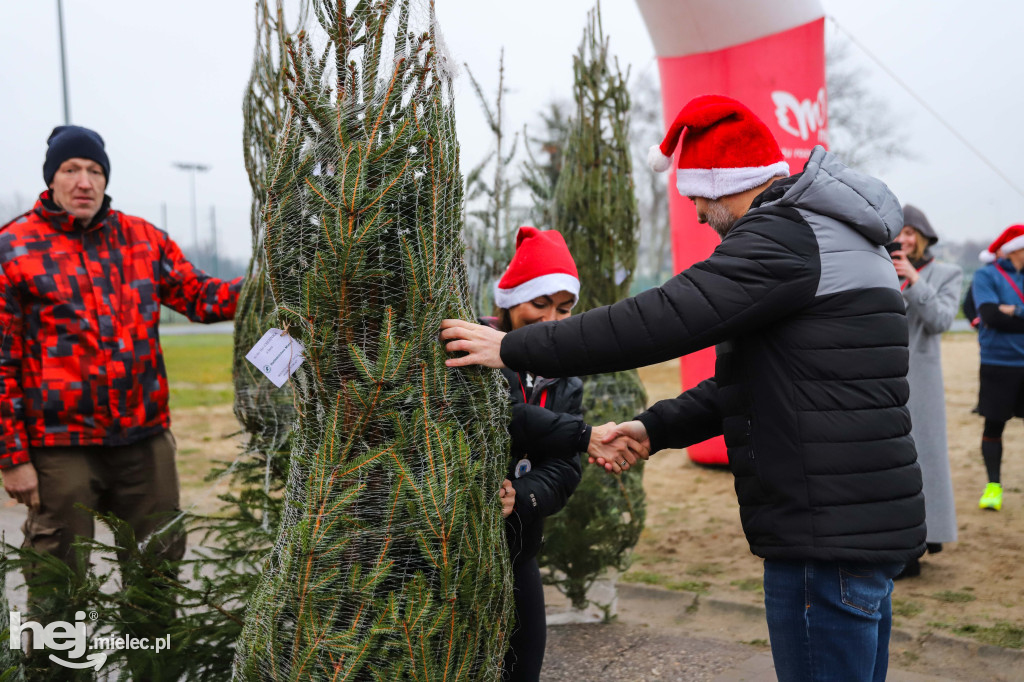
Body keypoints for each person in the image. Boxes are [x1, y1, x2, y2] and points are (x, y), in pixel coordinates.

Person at [442, 95, 925, 682]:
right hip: (855, 525)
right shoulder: (836, 237)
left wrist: (511, 348)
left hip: (824, 537)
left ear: (725, 184)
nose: (696, 213)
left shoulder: (785, 236)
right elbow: (750, 385)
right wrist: (654, 427)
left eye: (696, 195)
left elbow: (662, 318)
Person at [0, 126, 242, 591]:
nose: (84, 181)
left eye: (94, 170)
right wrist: (12, 457)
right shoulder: (14, 248)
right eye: (71, 170)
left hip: (143, 441)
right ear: (51, 179)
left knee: (158, 568)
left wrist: (281, 279)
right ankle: (52, 667)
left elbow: (204, 298)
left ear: (106, 179)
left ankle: (155, 664)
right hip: (59, 448)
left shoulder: (142, 240)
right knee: (57, 578)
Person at [491, 225, 634, 681]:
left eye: (564, 309)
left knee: (524, 666)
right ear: (511, 300)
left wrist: (523, 495)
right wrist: (583, 433)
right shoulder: (477, 351)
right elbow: (507, 416)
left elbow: (564, 472)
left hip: (519, 549)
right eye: (540, 304)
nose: (552, 320)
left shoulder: (565, 378)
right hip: (457, 548)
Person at [890, 205, 961, 578]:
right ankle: (903, 542)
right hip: (881, 379)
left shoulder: (946, 273)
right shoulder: (880, 269)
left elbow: (940, 321)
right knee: (890, 465)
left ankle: (920, 542)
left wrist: (915, 280)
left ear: (924, 235)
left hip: (921, 382)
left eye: (910, 233)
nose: (903, 239)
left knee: (924, 461)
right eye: (898, 233)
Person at [971, 225, 1024, 511]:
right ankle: (993, 486)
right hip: (998, 362)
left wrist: (1014, 310)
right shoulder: (986, 275)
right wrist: (1003, 314)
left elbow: (1004, 316)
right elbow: (990, 315)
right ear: (1017, 249)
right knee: (994, 425)